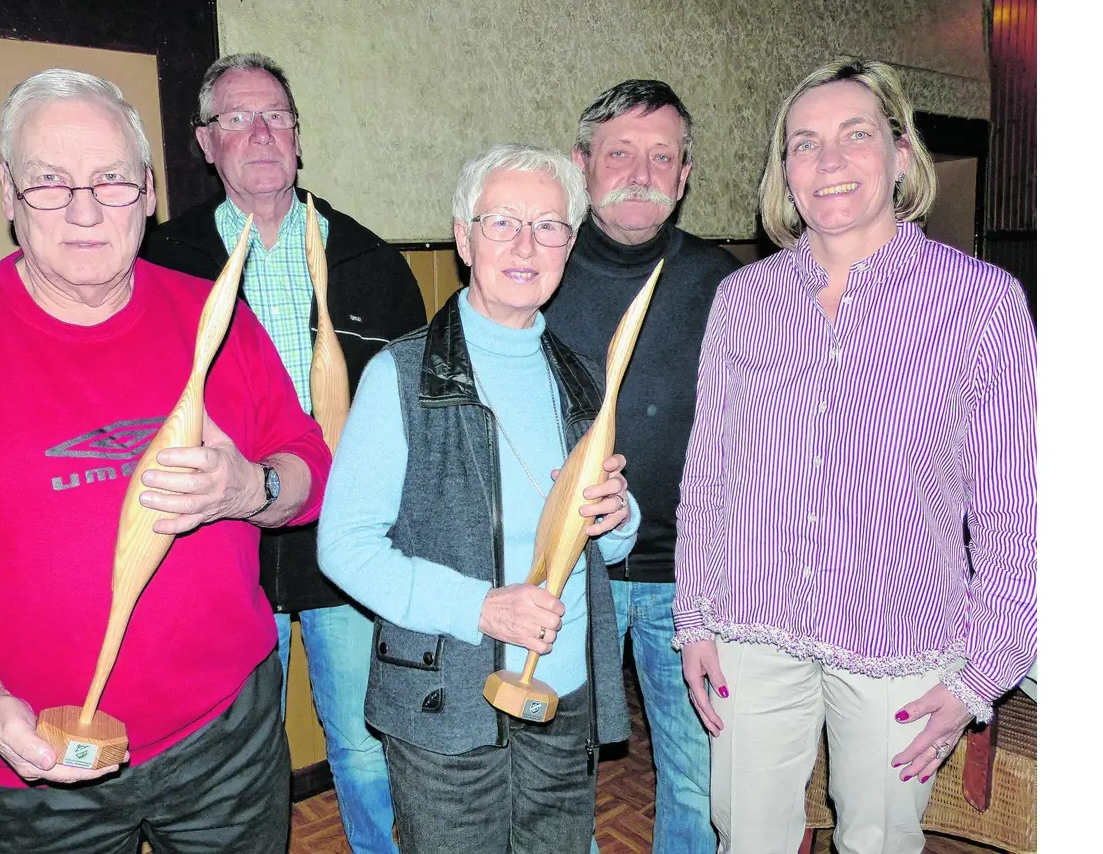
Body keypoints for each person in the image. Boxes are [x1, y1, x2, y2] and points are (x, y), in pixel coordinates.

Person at [0, 68, 332, 854]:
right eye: (48, 182)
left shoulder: (216, 320)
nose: (83, 210)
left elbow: (308, 466)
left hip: (226, 742)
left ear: (146, 191)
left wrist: (252, 486)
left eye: (109, 180)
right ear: (7, 192)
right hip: (26, 763)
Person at [674, 59, 1036, 854]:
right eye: (804, 144)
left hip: (897, 634)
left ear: (902, 155)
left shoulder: (980, 303)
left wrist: (986, 669)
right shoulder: (744, 300)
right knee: (747, 838)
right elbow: (709, 475)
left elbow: (1015, 505)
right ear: (784, 172)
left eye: (856, 135)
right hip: (752, 628)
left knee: (878, 840)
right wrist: (695, 615)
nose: (829, 161)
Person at [318, 142, 643, 854]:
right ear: (464, 239)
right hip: (447, 705)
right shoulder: (401, 376)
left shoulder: (584, 379)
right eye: (502, 223)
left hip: (564, 697)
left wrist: (619, 517)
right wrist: (480, 607)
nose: (526, 244)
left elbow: (606, 540)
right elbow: (342, 547)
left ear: (568, 245)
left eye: (549, 226)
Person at [140, 52, 425, 854]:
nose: (261, 133)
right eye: (237, 118)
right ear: (204, 141)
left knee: (366, 751)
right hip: (215, 549)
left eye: (277, 117)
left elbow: (412, 417)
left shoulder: (371, 264)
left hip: (346, 549)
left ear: (299, 138)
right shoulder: (162, 264)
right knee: (234, 764)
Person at [542, 78, 739, 854]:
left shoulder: (725, 284)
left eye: (664, 157)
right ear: (582, 162)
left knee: (696, 778)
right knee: (558, 774)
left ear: (686, 176)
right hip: (566, 572)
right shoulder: (538, 268)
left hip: (688, 580)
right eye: (620, 152)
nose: (642, 172)